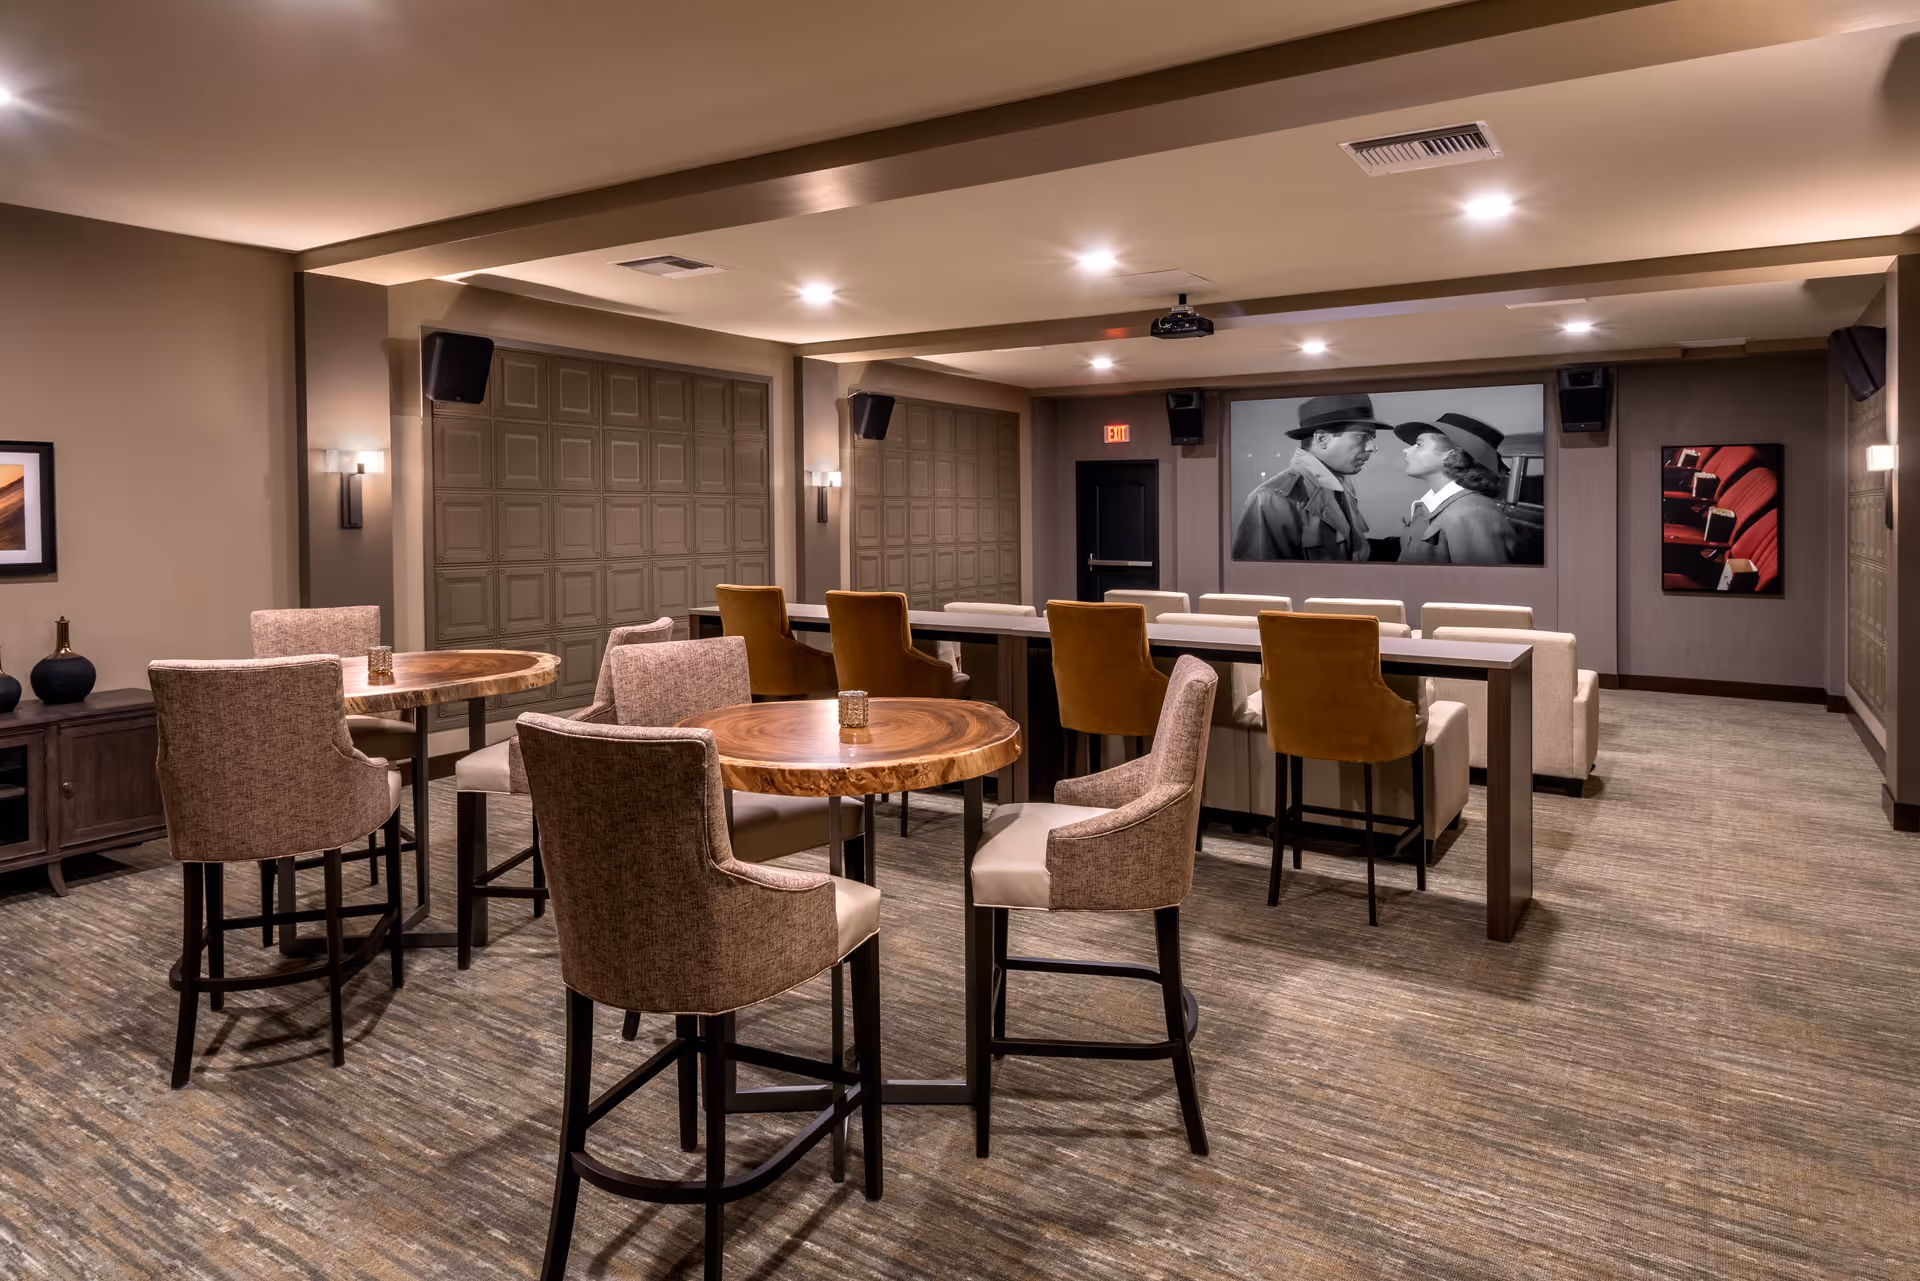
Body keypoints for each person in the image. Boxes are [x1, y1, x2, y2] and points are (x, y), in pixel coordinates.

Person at [1231, 393, 1385, 561]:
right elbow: (1258, 574)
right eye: (1361, 436)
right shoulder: (1273, 499)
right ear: (1322, 439)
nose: (1372, 447)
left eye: (1372, 438)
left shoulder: (1341, 486)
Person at [1394, 412, 1518, 565]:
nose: (1406, 450)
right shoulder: (1433, 507)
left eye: (1419, 445)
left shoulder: (1470, 514)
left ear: (1451, 456)